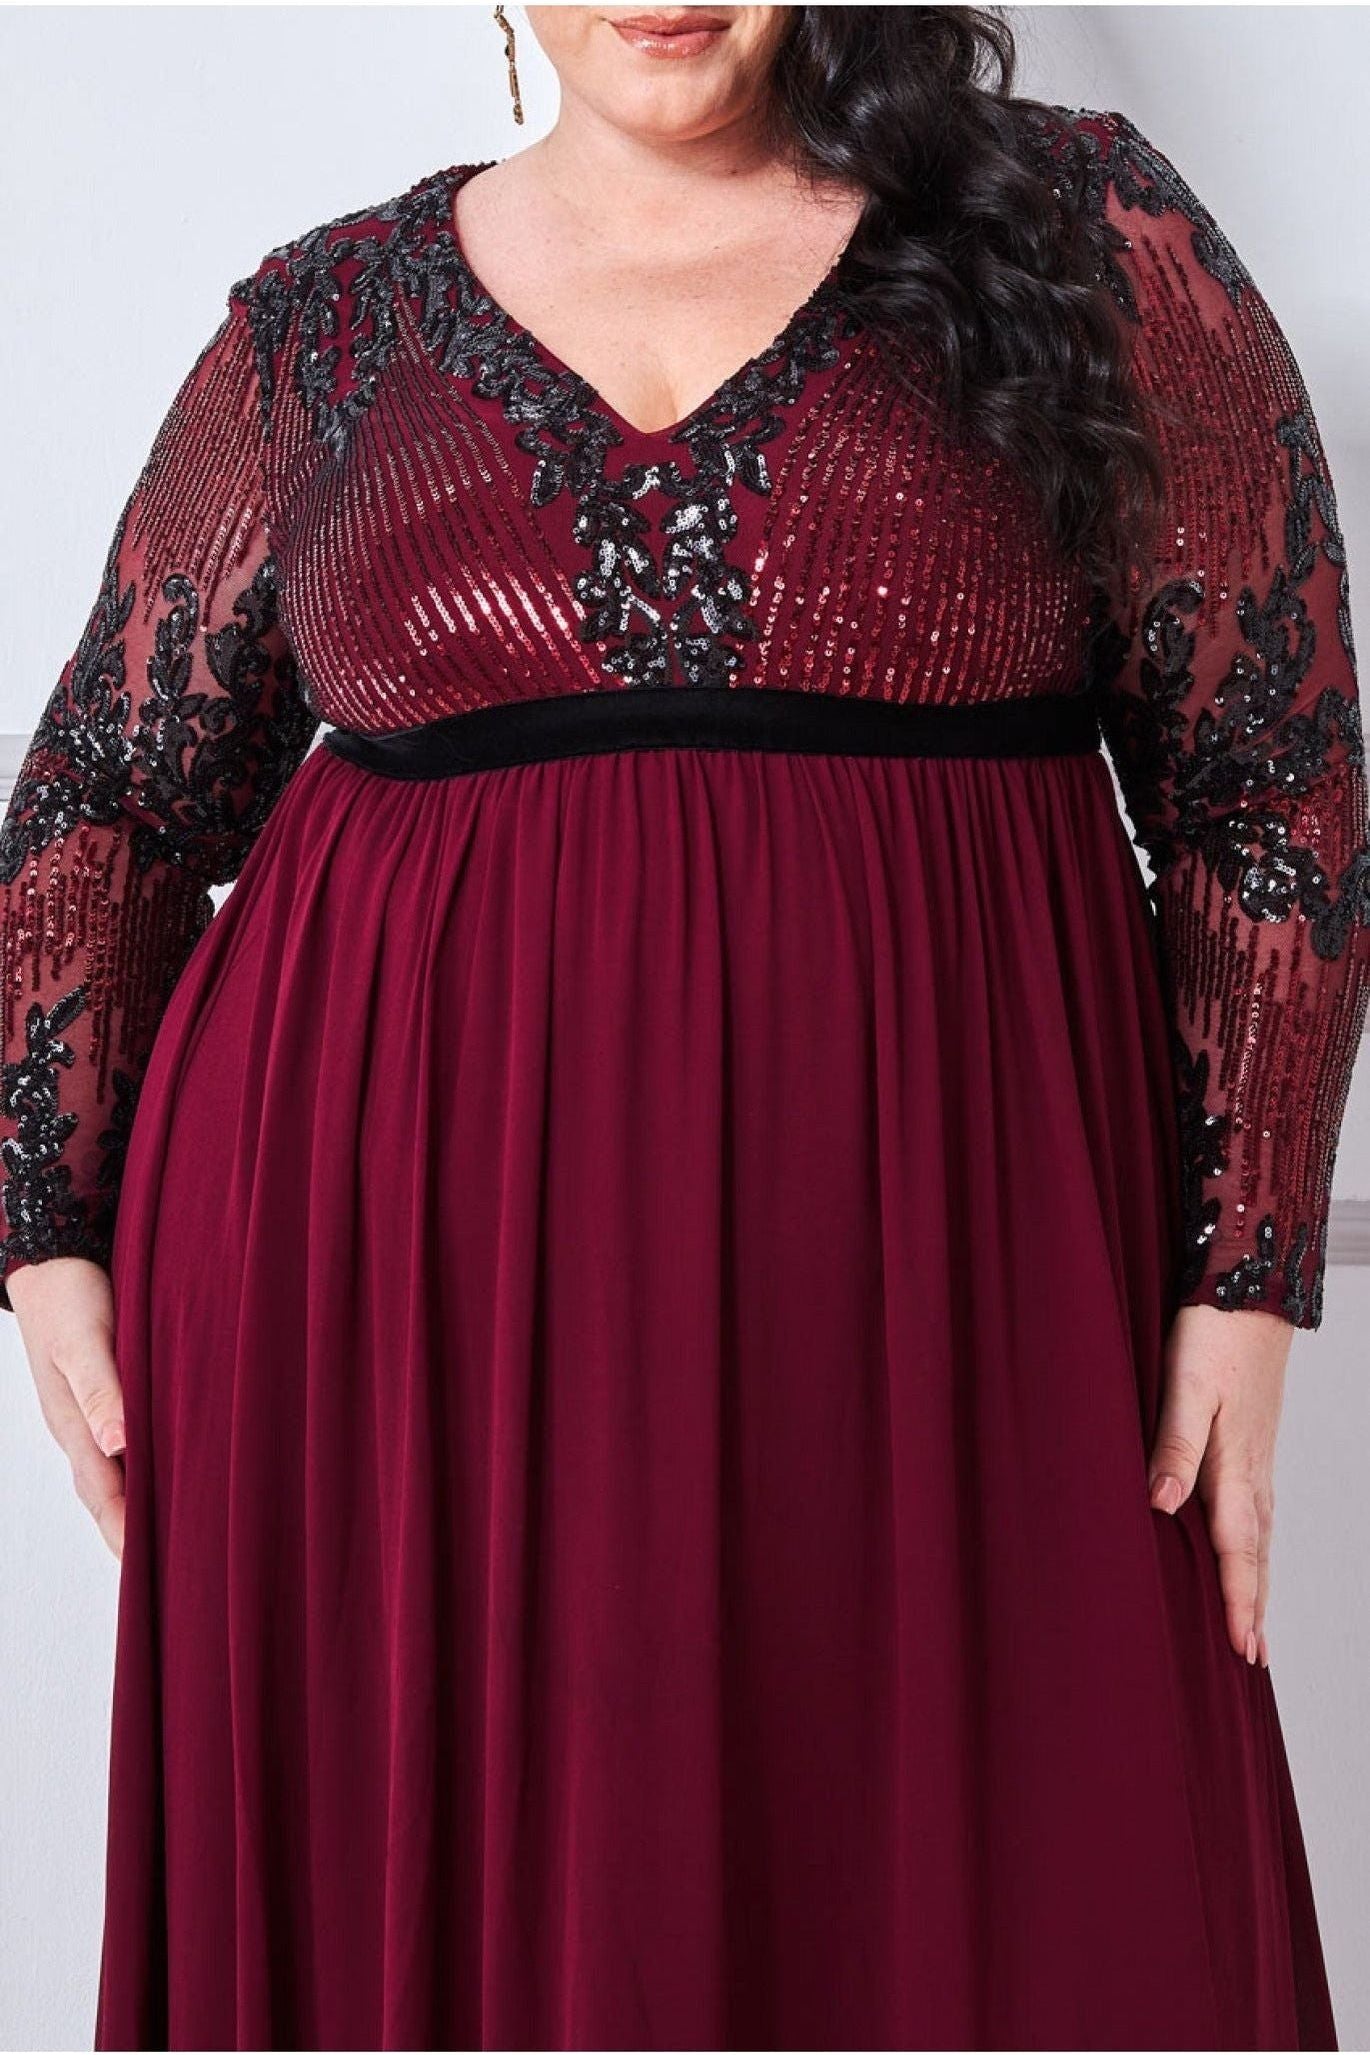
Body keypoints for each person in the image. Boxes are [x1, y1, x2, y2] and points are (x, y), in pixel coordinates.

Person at [2, 5, 1365, 2048]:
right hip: (393, 1348)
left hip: (961, 1309)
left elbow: (1269, 774)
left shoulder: (1080, 227)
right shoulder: (326, 326)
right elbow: (103, 801)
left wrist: (1242, 1276)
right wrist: (46, 1225)